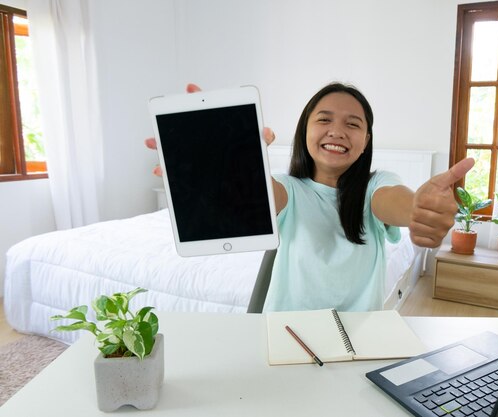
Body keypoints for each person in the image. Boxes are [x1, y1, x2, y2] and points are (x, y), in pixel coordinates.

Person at [146, 82, 474, 312]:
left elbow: (397, 201)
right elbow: (249, 198)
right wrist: (222, 164)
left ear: (365, 141)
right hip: (288, 336)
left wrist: (419, 207)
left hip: (355, 341)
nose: (337, 130)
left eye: (353, 124)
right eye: (324, 119)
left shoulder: (377, 186)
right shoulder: (287, 187)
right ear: (306, 130)